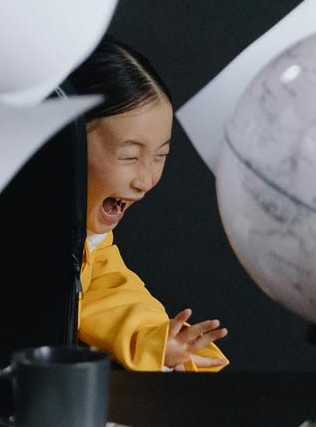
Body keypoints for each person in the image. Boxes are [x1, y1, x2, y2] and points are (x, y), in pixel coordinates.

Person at [66, 37, 229, 372]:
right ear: (66, 141)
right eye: (129, 156)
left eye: (160, 157)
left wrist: (159, 341)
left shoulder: (90, 243)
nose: (146, 179)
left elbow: (112, 293)